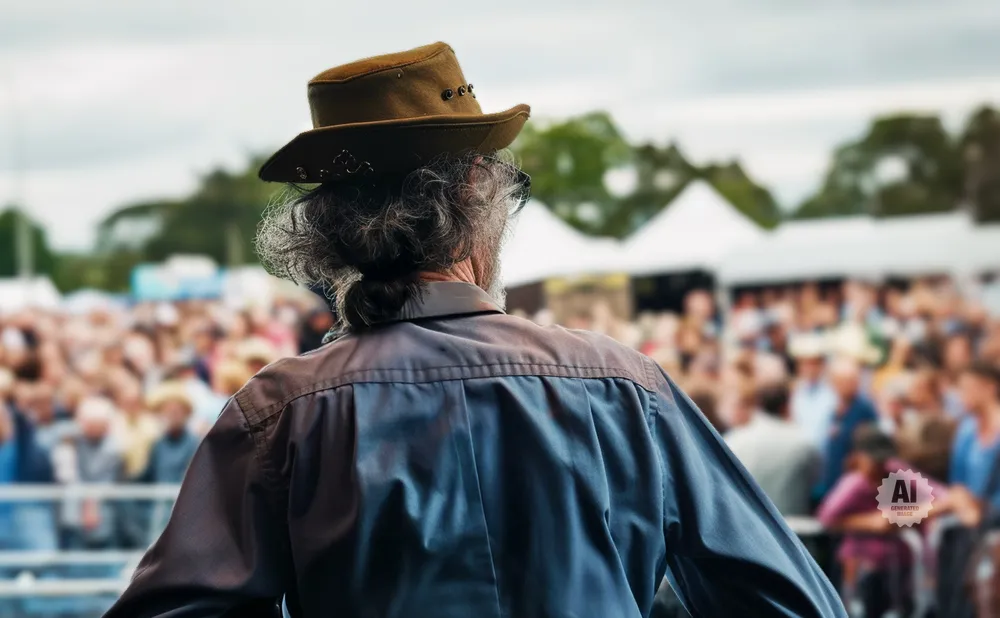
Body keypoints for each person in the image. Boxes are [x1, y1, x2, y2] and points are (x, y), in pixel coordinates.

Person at [105, 42, 845, 618]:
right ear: (475, 194)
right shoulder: (622, 389)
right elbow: (794, 601)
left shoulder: (284, 414)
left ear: (326, 229)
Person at [726, 381, 820, 517]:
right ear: (787, 406)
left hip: (747, 522)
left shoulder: (734, 440)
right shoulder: (805, 443)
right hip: (792, 527)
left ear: (758, 405)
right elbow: (815, 480)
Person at [816, 357, 880, 500]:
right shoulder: (837, 407)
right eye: (842, 382)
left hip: (853, 486)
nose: (850, 385)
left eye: (852, 380)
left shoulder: (864, 408)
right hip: (833, 481)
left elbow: (871, 448)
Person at [789, 333, 838, 450]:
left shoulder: (833, 391)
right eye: (805, 363)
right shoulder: (794, 392)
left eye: (814, 363)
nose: (810, 368)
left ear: (822, 364)